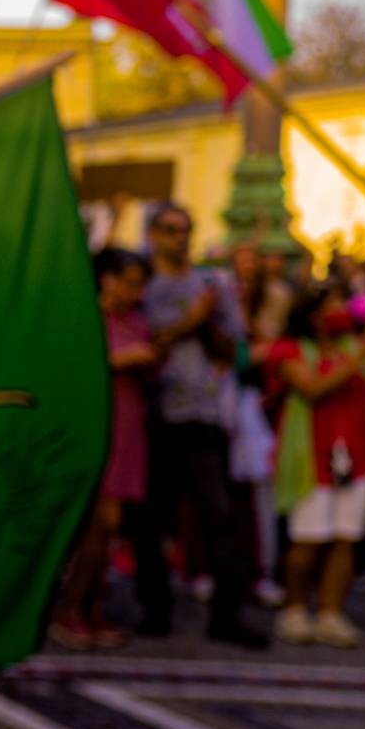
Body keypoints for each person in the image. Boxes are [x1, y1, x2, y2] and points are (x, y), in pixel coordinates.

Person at [135, 204, 268, 646]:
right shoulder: (144, 285)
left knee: (219, 517)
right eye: (171, 230)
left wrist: (209, 323)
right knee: (153, 520)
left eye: (186, 230)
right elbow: (140, 342)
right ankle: (155, 609)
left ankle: (226, 616)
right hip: (155, 414)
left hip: (205, 416)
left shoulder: (211, 286)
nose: (179, 238)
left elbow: (236, 350)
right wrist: (187, 322)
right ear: (153, 234)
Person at [268, 286, 365, 648]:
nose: (343, 310)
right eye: (334, 304)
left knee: (345, 538)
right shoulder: (292, 350)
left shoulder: (357, 347)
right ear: (314, 314)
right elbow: (313, 389)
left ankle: (330, 612)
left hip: (355, 460)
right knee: (308, 539)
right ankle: (294, 609)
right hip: (312, 460)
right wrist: (362, 353)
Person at [57, 249, 156, 649]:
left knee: (111, 526)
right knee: (99, 522)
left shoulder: (136, 323)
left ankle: (91, 607)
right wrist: (120, 360)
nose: (136, 291)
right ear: (107, 279)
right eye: (130, 281)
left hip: (128, 426)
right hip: (95, 424)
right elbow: (73, 365)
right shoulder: (86, 317)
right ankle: (70, 607)